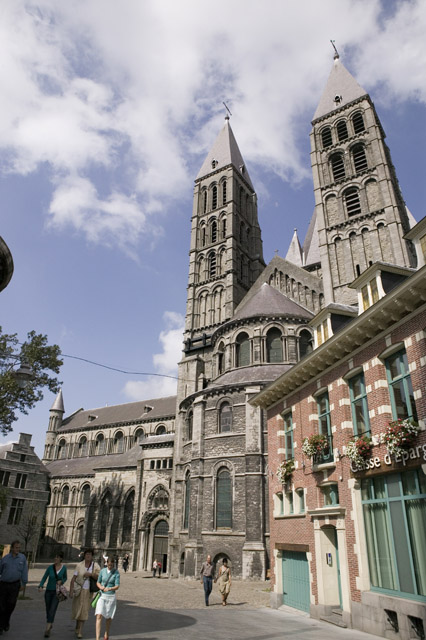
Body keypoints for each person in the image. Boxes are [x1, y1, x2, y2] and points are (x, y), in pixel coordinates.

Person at [70, 548, 100, 639]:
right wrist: (71, 590)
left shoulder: (95, 566)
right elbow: (73, 578)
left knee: (84, 610)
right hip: (79, 590)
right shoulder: (79, 565)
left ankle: (80, 631)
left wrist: (91, 574)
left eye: (90, 554)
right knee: (78, 608)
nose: (88, 556)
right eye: (87, 554)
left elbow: (99, 577)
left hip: (88, 591)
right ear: (84, 555)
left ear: (92, 556)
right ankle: (77, 625)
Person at [0, 540, 28, 636]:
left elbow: (24, 571)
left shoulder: (22, 558)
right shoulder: (5, 558)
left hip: (15, 585)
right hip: (3, 584)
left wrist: (24, 583)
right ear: (12, 548)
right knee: (1, 605)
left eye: (19, 548)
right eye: (16, 548)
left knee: (11, 604)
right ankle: (1, 625)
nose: (18, 549)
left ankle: (6, 620)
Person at [38, 551, 68, 637]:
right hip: (48, 591)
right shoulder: (50, 568)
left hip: (57, 592)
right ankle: (50, 622)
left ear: (61, 559)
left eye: (57, 557)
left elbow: (65, 577)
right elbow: (44, 577)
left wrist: (61, 581)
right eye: (55, 557)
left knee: (52, 609)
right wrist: (41, 586)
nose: (55, 558)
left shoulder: (64, 568)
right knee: (48, 609)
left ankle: (47, 629)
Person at [95, 556, 120, 640]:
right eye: (109, 565)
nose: (110, 567)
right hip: (102, 595)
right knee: (99, 615)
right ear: (106, 563)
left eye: (112, 565)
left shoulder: (116, 573)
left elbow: (117, 586)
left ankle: (106, 633)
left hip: (111, 596)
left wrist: (110, 588)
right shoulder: (102, 571)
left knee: (108, 617)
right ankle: (97, 638)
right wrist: (101, 587)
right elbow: (98, 582)